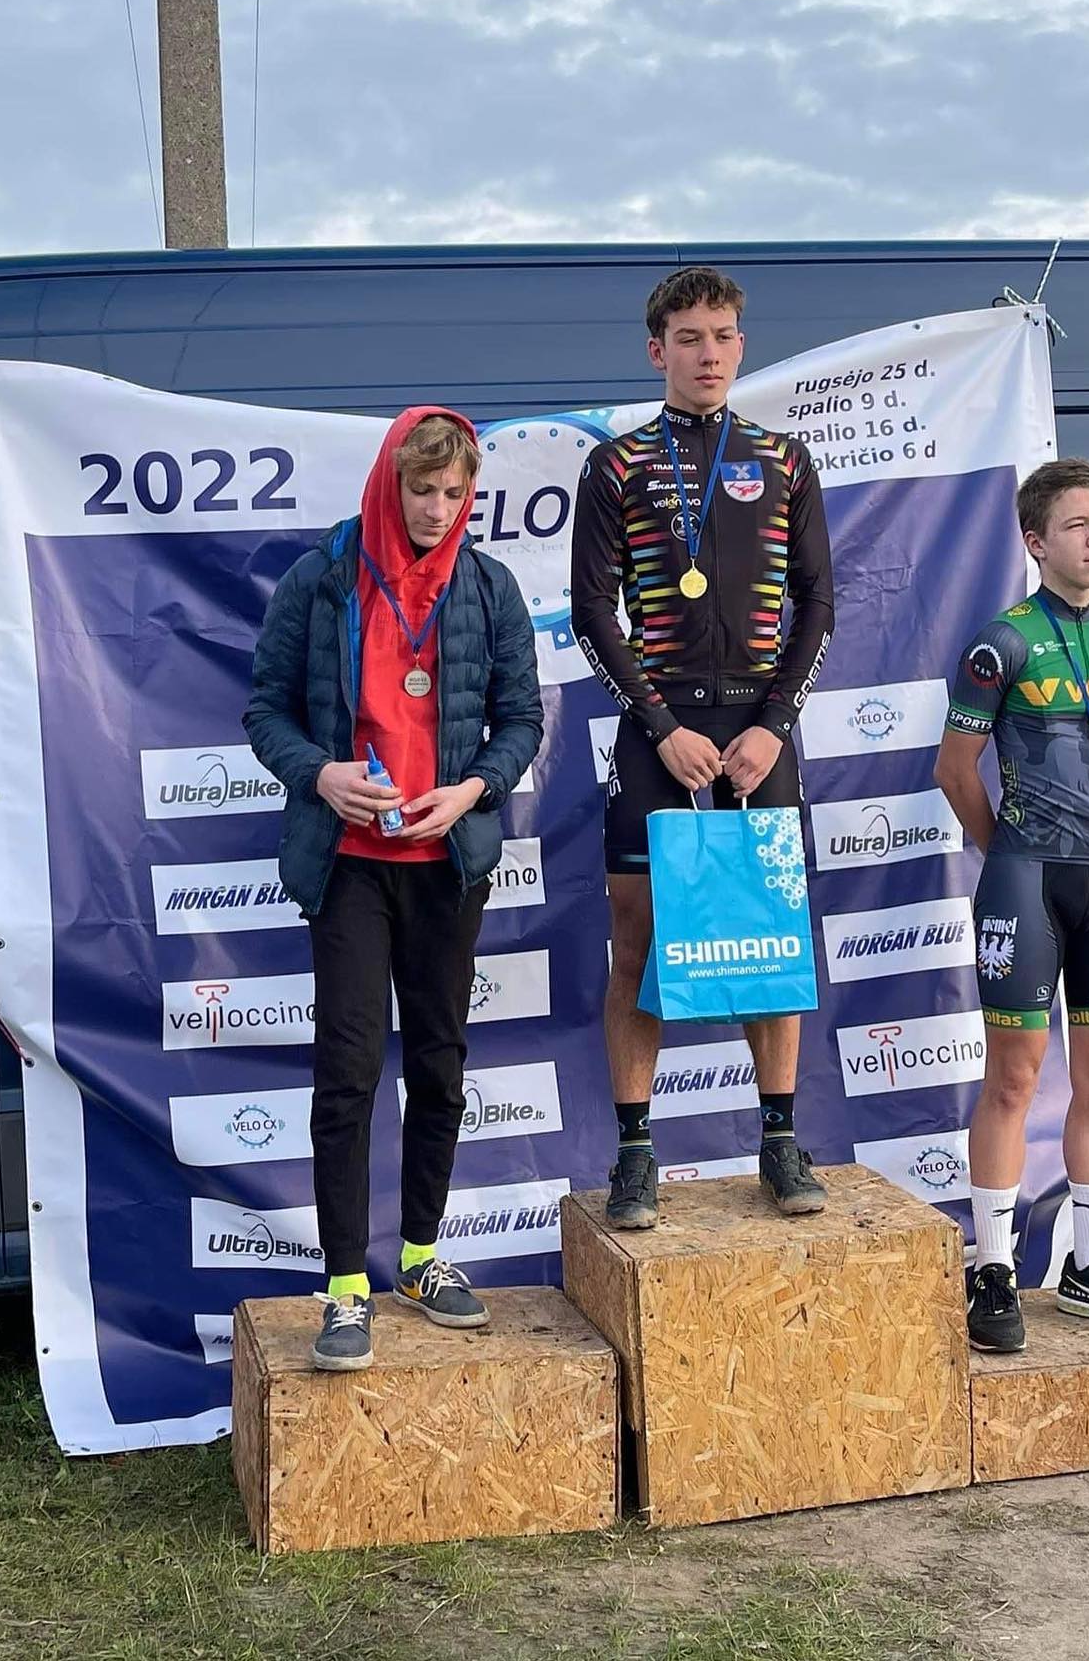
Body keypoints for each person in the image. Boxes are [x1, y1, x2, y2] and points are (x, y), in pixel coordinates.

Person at [244, 407, 542, 1370]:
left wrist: (472, 791)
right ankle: (344, 1286)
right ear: (390, 482)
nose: (438, 509)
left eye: (455, 493)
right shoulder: (323, 576)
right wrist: (321, 775)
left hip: (446, 867)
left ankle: (419, 1257)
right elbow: (265, 709)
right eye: (422, 489)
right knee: (348, 1070)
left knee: (442, 1067)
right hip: (349, 865)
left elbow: (521, 721)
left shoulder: (488, 587)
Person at [570, 266, 834, 1230]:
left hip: (760, 730)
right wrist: (661, 726)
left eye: (722, 336)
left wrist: (774, 724)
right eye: (689, 338)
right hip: (661, 730)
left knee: (771, 933)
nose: (708, 353)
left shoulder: (784, 459)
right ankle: (636, 1153)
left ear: (741, 345)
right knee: (636, 941)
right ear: (658, 351)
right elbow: (592, 610)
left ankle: (780, 1138)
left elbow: (819, 603)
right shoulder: (618, 466)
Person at [935, 456, 1089, 1352]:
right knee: (1012, 1081)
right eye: (1079, 525)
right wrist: (1007, 850)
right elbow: (955, 771)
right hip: (1026, 880)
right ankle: (993, 1270)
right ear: (1036, 541)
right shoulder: (999, 644)